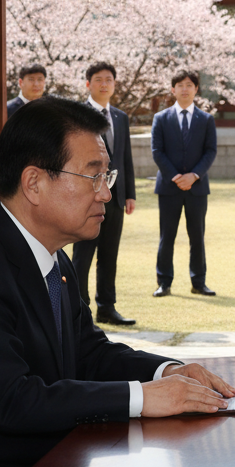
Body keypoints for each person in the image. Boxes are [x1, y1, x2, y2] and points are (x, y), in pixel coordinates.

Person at [0, 97, 235, 467]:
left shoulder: (53, 259)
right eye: (93, 176)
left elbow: (89, 354)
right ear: (34, 183)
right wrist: (144, 397)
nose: (106, 193)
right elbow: (13, 402)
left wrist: (167, 372)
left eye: (107, 175)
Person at [71, 62, 137, 327]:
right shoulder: (77, 115)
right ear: (88, 84)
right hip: (87, 196)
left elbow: (125, 157)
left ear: (114, 84)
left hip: (116, 197)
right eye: (98, 80)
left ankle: (107, 308)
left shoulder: (120, 117)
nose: (104, 84)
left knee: (110, 254)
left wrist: (130, 194)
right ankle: (79, 310)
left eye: (109, 80)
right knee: (83, 255)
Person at [151, 70, 217, 297]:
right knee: (166, 236)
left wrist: (194, 175)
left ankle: (199, 282)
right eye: (180, 85)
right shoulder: (161, 118)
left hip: (197, 188)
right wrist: (176, 177)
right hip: (169, 187)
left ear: (196, 89)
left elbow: (210, 151)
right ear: (173, 90)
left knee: (197, 236)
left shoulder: (206, 120)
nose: (185, 89)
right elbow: (157, 151)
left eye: (189, 85)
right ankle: (164, 282)